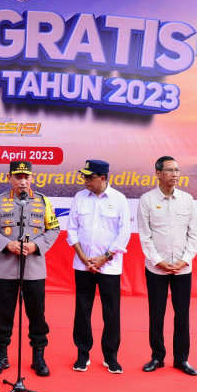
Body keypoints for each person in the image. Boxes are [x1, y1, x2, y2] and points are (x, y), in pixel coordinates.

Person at [0, 161, 60, 377]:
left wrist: (37, 245)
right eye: (18, 177)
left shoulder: (43, 201)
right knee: (2, 314)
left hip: (34, 269)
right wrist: (7, 244)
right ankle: (1, 355)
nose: (23, 181)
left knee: (37, 315)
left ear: (32, 178)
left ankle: (38, 356)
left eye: (26, 177)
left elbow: (54, 229)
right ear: (10, 178)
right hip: (6, 270)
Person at [137, 156, 197, 376]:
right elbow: (145, 235)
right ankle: (157, 356)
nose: (175, 174)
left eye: (177, 170)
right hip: (156, 268)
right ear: (158, 173)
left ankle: (182, 359)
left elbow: (194, 233)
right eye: (170, 170)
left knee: (182, 315)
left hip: (183, 268)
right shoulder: (146, 200)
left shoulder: (187, 200)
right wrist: (158, 261)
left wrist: (185, 259)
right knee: (157, 314)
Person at [66, 159, 130, 374]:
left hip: (109, 267)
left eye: (89, 176)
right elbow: (72, 229)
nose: (85, 180)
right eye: (83, 176)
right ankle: (82, 354)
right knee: (82, 310)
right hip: (83, 264)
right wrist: (83, 257)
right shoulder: (79, 197)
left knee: (111, 312)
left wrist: (105, 257)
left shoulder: (119, 199)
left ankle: (110, 356)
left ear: (102, 178)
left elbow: (124, 233)